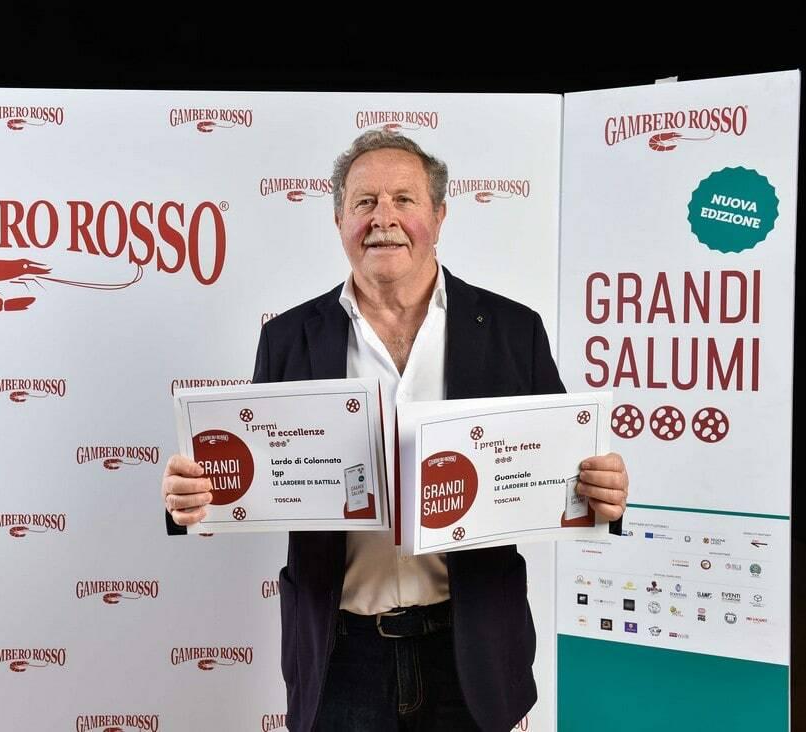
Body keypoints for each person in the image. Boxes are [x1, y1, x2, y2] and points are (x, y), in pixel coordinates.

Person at [163, 131, 629, 731]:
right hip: (340, 658)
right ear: (339, 220)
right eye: (364, 202)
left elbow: (560, 471)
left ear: (439, 215)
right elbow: (251, 482)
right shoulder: (288, 339)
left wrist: (601, 493)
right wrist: (192, 496)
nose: (383, 218)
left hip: (472, 653)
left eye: (404, 199)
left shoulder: (513, 330)